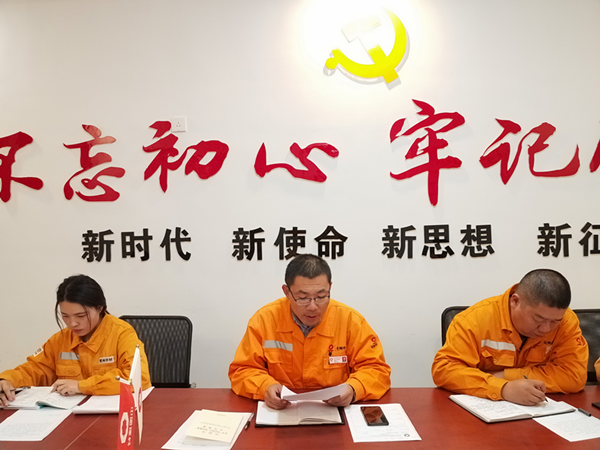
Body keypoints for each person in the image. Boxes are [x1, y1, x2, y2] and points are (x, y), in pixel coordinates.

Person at [228, 254, 391, 410]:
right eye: (303, 298)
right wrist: (265, 386)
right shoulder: (264, 320)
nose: (313, 306)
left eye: (321, 296)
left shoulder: (350, 321)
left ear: (330, 288)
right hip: (281, 411)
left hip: (334, 410)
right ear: (287, 292)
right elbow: (242, 370)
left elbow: (376, 369)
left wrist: (354, 389)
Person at [432, 269, 588, 406]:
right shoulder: (474, 321)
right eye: (538, 319)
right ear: (515, 301)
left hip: (541, 410)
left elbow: (574, 376)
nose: (546, 329)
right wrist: (503, 388)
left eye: (555, 321)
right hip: (486, 408)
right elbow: (445, 370)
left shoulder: (566, 322)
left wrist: (507, 376)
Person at [0, 274, 151, 406]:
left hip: (113, 416)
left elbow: (138, 378)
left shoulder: (122, 333)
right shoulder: (61, 340)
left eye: (80, 316)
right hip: (68, 416)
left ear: (100, 308)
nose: (72, 323)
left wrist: (81, 386)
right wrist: (7, 380)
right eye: (65, 316)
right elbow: (34, 369)